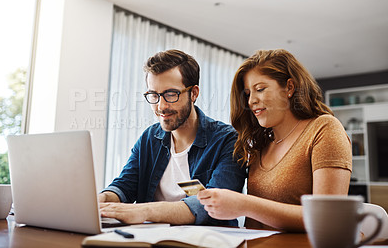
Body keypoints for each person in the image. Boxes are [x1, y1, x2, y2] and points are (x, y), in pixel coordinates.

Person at [197, 49, 352, 232]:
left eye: (260, 89)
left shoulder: (324, 129)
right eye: (247, 94)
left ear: (289, 87)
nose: (251, 101)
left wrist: (245, 204)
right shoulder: (262, 143)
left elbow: (327, 218)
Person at [99, 49, 246, 226]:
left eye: (170, 94)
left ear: (194, 93)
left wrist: (144, 211)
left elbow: (212, 205)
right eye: (154, 95)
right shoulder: (149, 138)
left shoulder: (228, 141)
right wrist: (101, 200)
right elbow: (124, 186)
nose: (161, 106)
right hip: (151, 239)